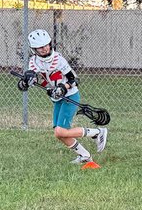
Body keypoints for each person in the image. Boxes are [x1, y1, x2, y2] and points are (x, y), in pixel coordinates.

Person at [17, 29, 107, 165]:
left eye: (46, 44)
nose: (45, 48)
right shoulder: (34, 61)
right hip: (57, 99)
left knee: (61, 131)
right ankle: (85, 156)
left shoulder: (58, 60)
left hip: (70, 97)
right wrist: (25, 82)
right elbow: (32, 75)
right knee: (59, 134)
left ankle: (97, 132)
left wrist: (63, 88)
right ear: (34, 49)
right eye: (40, 47)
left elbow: (74, 80)